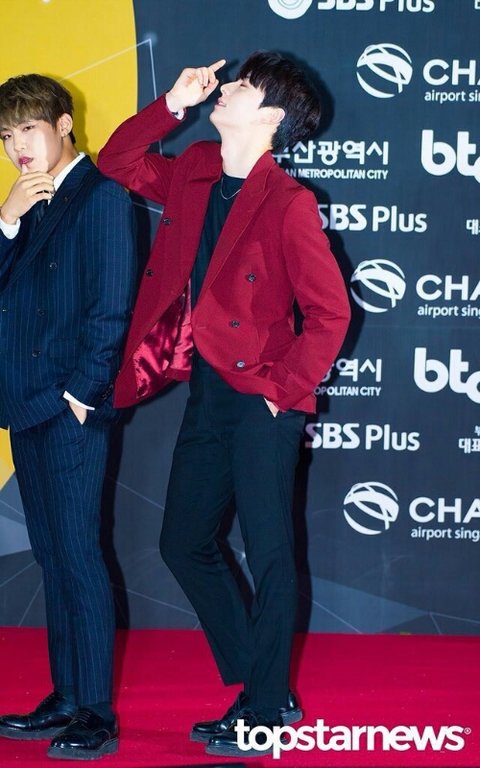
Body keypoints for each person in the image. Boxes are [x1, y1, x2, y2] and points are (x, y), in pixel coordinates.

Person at [98, 51, 350, 757]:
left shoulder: (289, 202)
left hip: (263, 398)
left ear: (271, 116)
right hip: (208, 392)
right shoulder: (196, 168)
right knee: (182, 541)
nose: (228, 86)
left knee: (269, 553)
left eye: (243, 85)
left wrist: (280, 391)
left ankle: (263, 709)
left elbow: (330, 314)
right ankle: (263, 684)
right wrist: (171, 105)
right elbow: (118, 160)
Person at [0, 74, 136, 760]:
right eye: (6, 136)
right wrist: (5, 221)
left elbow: (112, 306)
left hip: (68, 407)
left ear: (63, 124)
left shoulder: (101, 196)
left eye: (28, 128)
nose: (17, 146)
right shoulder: (28, 200)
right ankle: (66, 694)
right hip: (25, 402)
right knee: (52, 556)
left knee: (78, 556)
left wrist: (81, 394)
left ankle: (95, 711)